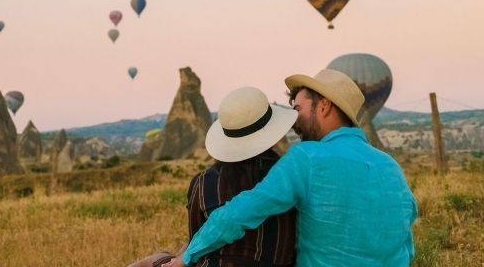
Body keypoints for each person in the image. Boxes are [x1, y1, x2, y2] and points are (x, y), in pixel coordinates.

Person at [165, 69, 418, 267]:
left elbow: (239, 213)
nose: (295, 120)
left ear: (324, 105)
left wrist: (187, 256)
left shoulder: (306, 158)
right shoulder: (391, 167)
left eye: (298, 108)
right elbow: (406, 245)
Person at [131, 87, 299, 267]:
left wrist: (180, 259)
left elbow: (198, 235)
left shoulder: (205, 182)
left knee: (149, 262)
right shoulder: (293, 176)